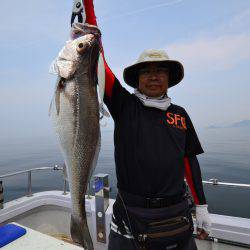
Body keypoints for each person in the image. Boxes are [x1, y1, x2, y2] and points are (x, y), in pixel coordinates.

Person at [52, 2, 211, 249]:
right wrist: (88, 15)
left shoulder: (181, 115)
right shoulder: (124, 104)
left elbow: (190, 160)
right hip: (131, 218)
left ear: (169, 78)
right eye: (146, 72)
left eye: (160, 71)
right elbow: (96, 62)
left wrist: (201, 206)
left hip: (178, 217)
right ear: (137, 79)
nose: (154, 76)